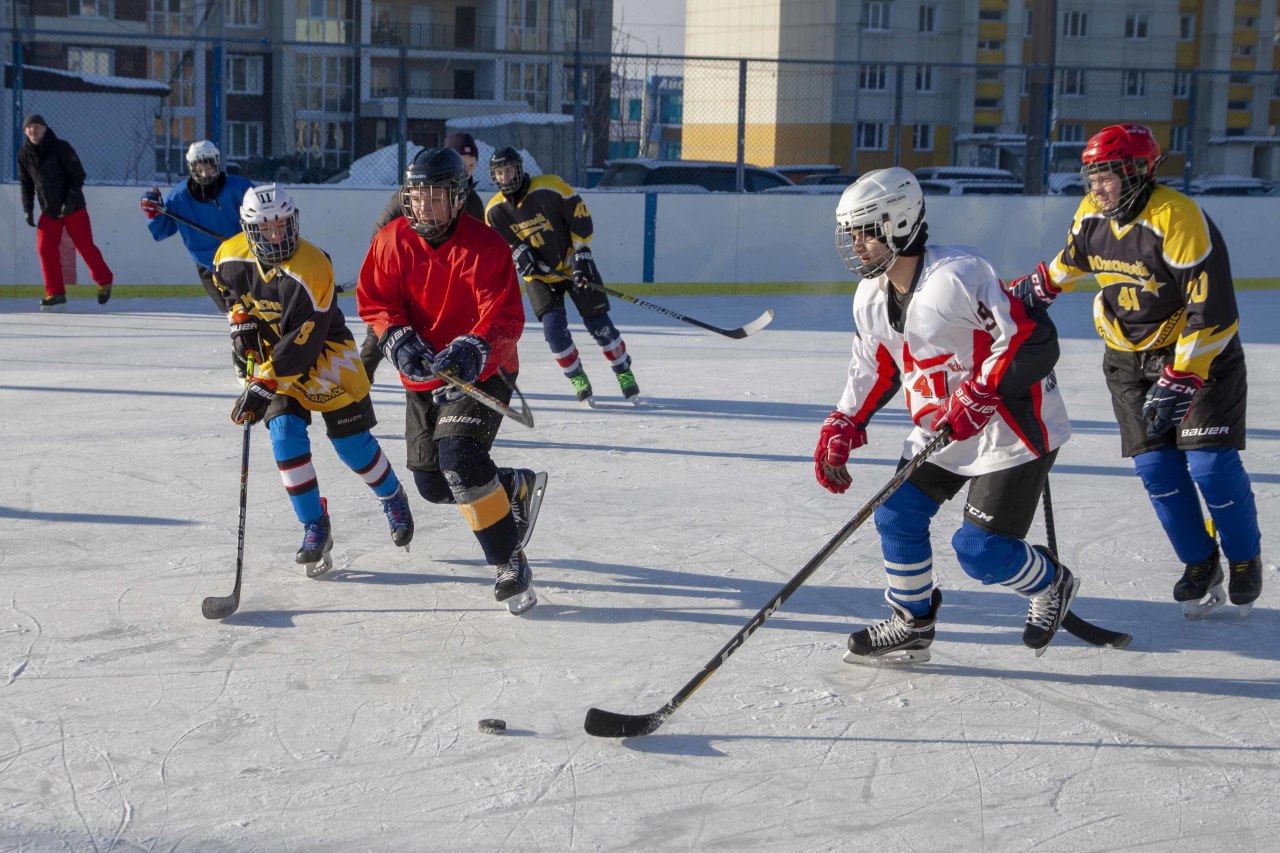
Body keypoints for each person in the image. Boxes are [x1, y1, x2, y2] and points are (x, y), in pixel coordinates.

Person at [816, 167, 1077, 662]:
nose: (856, 243)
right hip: (942, 427)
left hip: (1012, 427)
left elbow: (1031, 338)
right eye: (851, 232)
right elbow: (874, 366)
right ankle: (912, 623)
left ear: (898, 223)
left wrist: (981, 393)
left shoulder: (959, 275)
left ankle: (1051, 583)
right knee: (896, 514)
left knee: (980, 552)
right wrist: (845, 422)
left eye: (866, 231)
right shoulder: (870, 297)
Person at [1009, 123, 1263, 617]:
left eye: (1108, 176)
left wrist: (1184, 374)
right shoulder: (1091, 213)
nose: (1097, 187)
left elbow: (1212, 310)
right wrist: (1033, 290)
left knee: (1209, 462)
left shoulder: (1177, 216)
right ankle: (1198, 562)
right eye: (1092, 176)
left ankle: (1244, 559)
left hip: (1199, 356)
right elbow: (1072, 259)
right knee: (1156, 468)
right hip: (1127, 359)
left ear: (1141, 172)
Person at [358, 147, 546, 615]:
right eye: (417, 196)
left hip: (485, 368)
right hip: (423, 376)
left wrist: (470, 349)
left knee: (459, 457)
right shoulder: (391, 241)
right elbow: (376, 301)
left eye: (436, 196)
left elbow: (504, 318)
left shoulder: (486, 246)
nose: (424, 206)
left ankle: (509, 562)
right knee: (432, 483)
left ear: (458, 197)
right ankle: (512, 487)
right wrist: (397, 338)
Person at [212, 183, 414, 576]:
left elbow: (303, 341)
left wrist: (262, 384)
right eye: (266, 229)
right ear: (249, 230)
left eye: (284, 226)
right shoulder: (228, 255)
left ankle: (392, 496)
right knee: (284, 435)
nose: (277, 235)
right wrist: (239, 322)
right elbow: (225, 289)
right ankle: (314, 525)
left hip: (324, 355)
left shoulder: (313, 266)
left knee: (352, 446)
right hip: (274, 362)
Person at [485, 146, 640, 406]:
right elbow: (502, 245)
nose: (505, 176)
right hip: (540, 279)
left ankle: (623, 369)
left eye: (509, 169)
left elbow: (580, 217)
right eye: (499, 173)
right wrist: (519, 253)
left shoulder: (551, 186)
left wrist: (582, 255)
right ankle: (578, 377)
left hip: (572, 267)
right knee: (554, 332)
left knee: (599, 325)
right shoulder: (494, 211)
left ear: (520, 168)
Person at [359, 132, 485, 380]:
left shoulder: (473, 201)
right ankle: (359, 385)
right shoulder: (414, 194)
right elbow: (381, 233)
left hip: (446, 287)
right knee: (380, 335)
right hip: (408, 282)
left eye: (471, 166)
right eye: (462, 162)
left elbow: (475, 247)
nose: (467, 171)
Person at [140, 140, 255, 313]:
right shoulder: (178, 197)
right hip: (209, 267)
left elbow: (262, 217)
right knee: (235, 315)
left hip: (244, 260)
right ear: (191, 167)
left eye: (209, 166)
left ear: (216, 162)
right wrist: (154, 213)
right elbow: (160, 232)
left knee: (259, 309)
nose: (205, 172)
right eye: (199, 168)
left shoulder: (240, 187)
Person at [18, 114, 114, 310]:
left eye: (37, 127)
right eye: (29, 128)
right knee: (45, 247)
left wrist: (69, 202)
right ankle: (55, 293)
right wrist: (28, 209)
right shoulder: (24, 155)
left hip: (73, 207)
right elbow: (26, 184)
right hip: (49, 210)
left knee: (84, 245)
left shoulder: (61, 147)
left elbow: (78, 175)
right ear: (25, 131)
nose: (33, 131)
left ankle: (105, 281)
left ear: (45, 128)